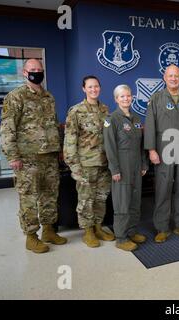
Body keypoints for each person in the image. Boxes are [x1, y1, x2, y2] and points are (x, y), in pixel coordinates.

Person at [0, 58, 67, 253]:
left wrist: (59, 149)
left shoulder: (48, 97)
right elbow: (7, 128)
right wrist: (12, 156)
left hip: (49, 156)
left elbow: (54, 125)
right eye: (33, 69)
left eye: (39, 69)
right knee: (29, 197)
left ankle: (48, 230)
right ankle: (31, 236)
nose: (36, 72)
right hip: (27, 158)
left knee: (49, 195)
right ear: (24, 72)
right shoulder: (16, 97)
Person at [144, 64, 179, 243]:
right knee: (163, 188)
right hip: (163, 149)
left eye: (176, 76)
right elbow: (150, 125)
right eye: (170, 76)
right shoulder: (156, 98)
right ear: (164, 78)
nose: (173, 78)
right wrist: (151, 150)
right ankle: (162, 227)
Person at [63, 75, 114, 248]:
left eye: (96, 86)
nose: (94, 90)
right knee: (86, 199)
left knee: (101, 197)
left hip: (104, 163)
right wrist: (74, 166)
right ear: (84, 89)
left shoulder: (105, 110)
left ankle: (99, 227)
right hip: (85, 164)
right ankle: (88, 231)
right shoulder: (76, 111)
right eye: (90, 87)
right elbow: (70, 140)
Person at [103, 85, 148, 251]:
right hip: (121, 167)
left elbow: (140, 145)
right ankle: (121, 238)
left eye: (128, 96)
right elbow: (110, 147)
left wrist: (144, 163)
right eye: (122, 96)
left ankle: (131, 231)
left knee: (135, 202)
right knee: (122, 203)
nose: (126, 99)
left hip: (136, 167)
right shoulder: (112, 119)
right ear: (116, 99)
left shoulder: (136, 119)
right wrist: (114, 169)